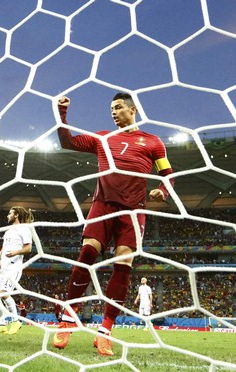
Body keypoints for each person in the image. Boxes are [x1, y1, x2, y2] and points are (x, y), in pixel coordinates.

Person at [52, 93, 174, 356]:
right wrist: (62, 114)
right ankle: (67, 319)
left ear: (133, 109)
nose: (114, 112)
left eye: (118, 107)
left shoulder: (153, 142)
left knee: (123, 264)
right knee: (87, 253)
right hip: (103, 204)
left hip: (133, 211)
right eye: (111, 109)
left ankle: (105, 331)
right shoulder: (103, 137)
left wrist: (162, 191)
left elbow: (168, 175)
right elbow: (68, 142)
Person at [0, 207, 33, 336]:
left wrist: (15, 252)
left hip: (13, 267)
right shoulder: (8, 231)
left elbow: (28, 248)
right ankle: (2, 325)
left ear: (16, 215)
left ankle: (16, 321)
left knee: (3, 293)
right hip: (2, 267)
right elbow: (4, 248)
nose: (7, 215)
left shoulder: (24, 229)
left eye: (10, 213)